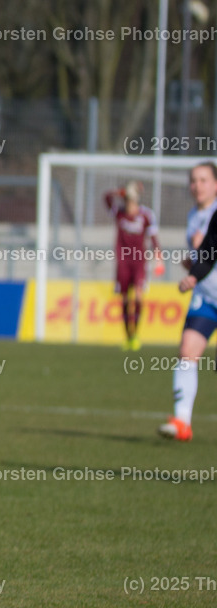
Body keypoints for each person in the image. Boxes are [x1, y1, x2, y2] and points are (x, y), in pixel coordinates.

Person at [159, 162, 217, 441]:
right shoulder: (194, 215)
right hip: (206, 297)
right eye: (193, 180)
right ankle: (182, 421)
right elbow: (203, 256)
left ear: (215, 184)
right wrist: (192, 267)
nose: (197, 185)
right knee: (187, 351)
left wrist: (199, 253)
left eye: (203, 180)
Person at [104, 181, 163, 351]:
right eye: (127, 199)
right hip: (123, 262)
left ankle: (135, 334)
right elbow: (106, 198)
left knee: (137, 297)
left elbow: (153, 238)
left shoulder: (146, 215)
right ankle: (127, 336)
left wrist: (158, 257)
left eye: (132, 200)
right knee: (124, 299)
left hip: (139, 263)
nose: (130, 204)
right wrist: (120, 190)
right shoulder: (119, 214)